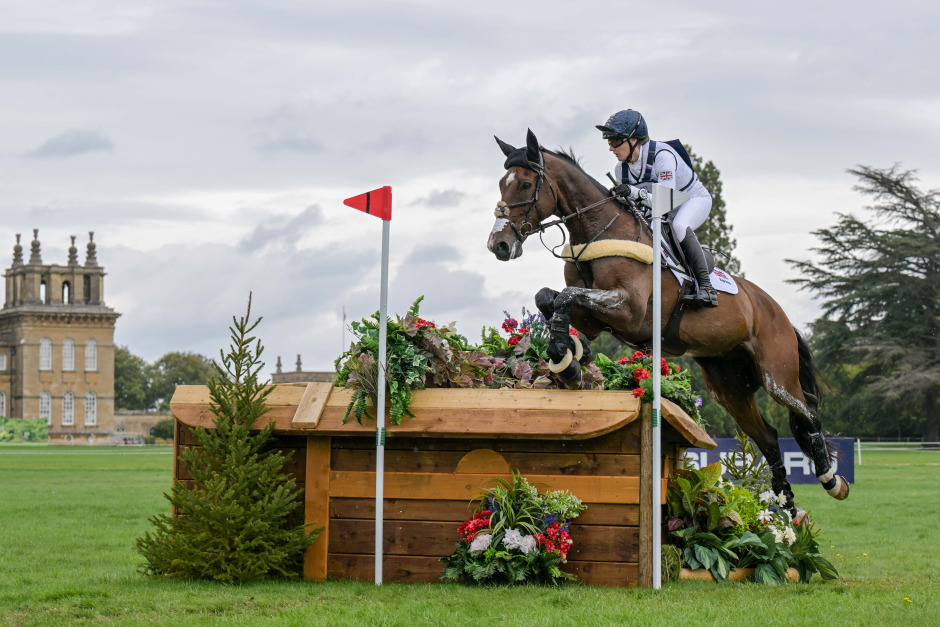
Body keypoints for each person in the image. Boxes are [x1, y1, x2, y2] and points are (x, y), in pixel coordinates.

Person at [596, 109, 718, 308]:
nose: (611, 147)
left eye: (615, 141)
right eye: (608, 141)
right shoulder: (621, 169)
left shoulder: (662, 156)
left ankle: (707, 288)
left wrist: (633, 192)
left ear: (633, 139)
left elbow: (665, 202)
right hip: (662, 207)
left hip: (691, 200)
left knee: (679, 226)